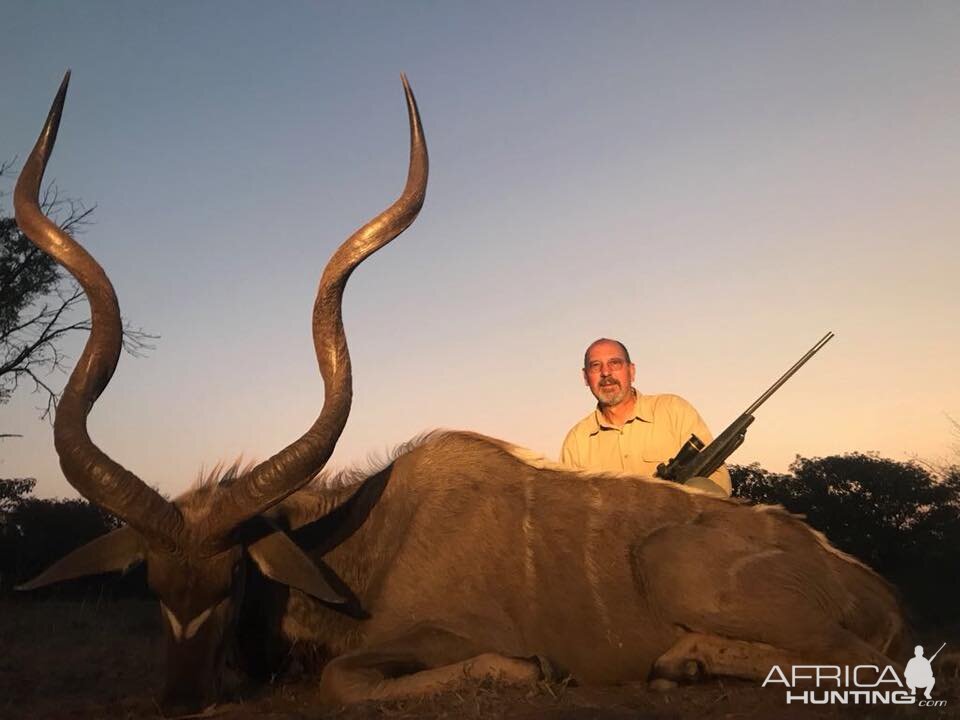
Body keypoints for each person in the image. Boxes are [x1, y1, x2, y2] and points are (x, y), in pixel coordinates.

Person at [560, 338, 731, 496]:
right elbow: (571, 505)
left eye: (615, 363)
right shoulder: (576, 441)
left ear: (631, 371)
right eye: (596, 366)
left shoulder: (674, 410)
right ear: (585, 377)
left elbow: (717, 476)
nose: (606, 373)